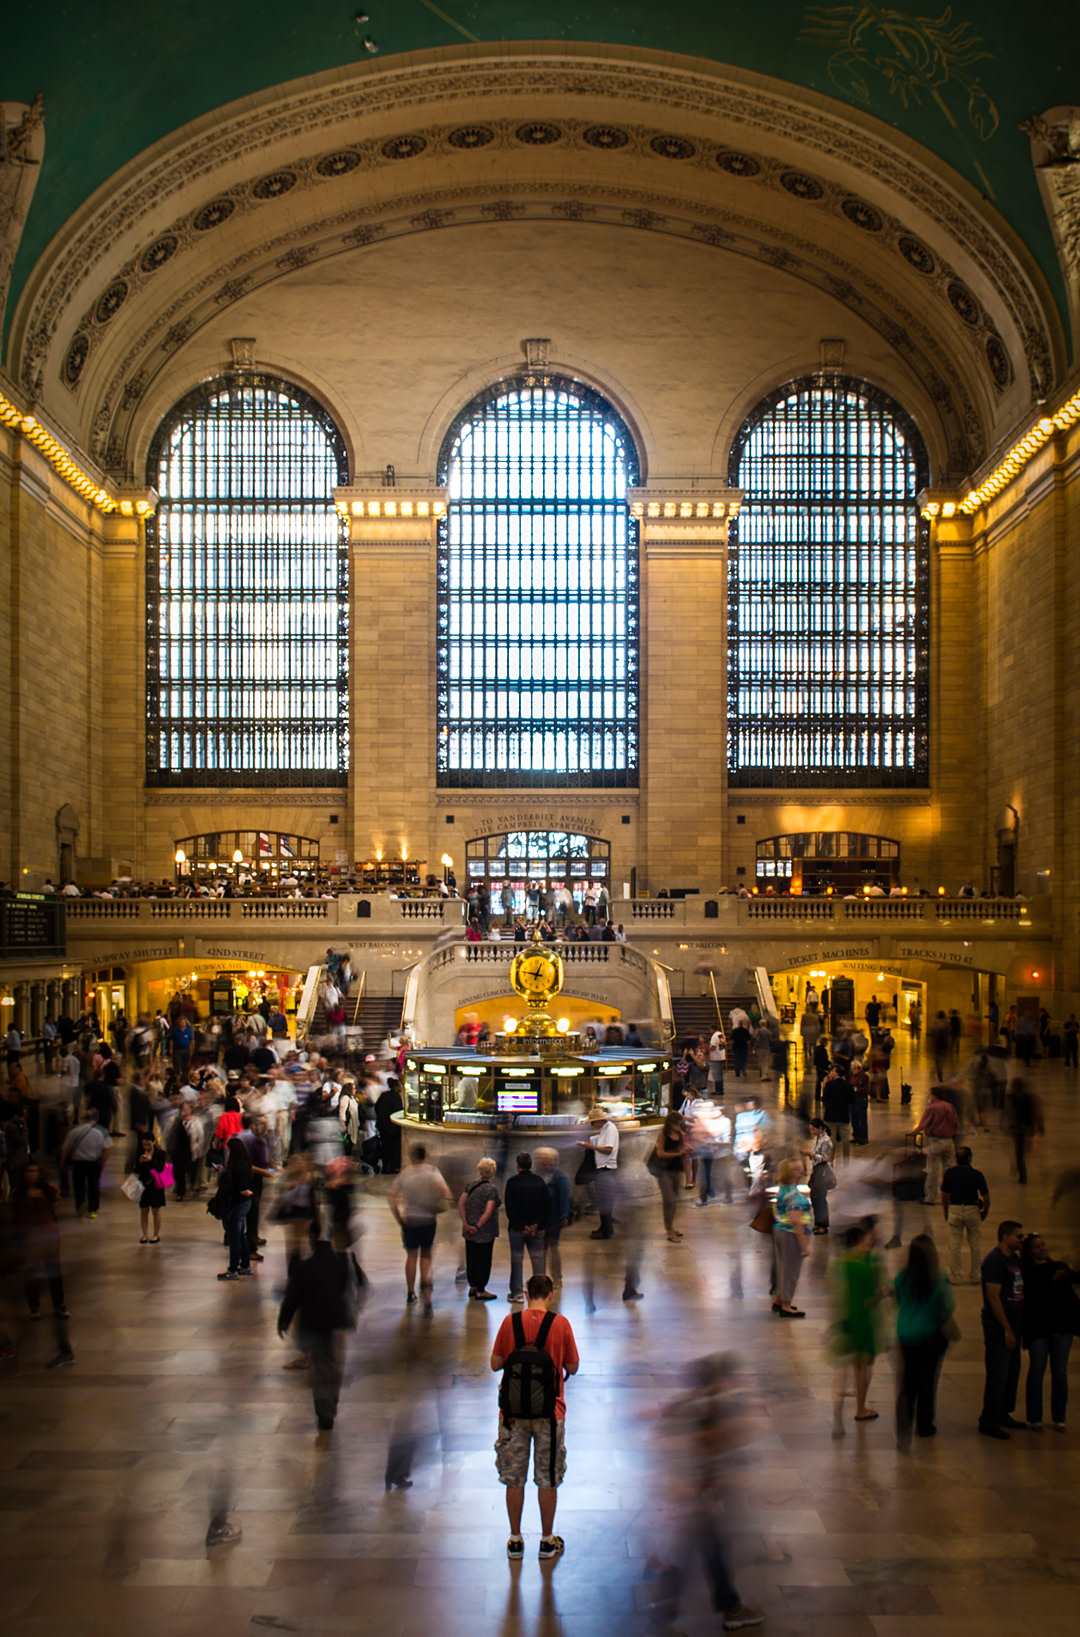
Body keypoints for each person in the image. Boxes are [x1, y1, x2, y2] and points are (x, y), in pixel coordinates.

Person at [490, 1272, 579, 1563]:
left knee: (514, 1477)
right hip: (550, 1414)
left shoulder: (509, 1322)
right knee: (547, 1477)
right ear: (550, 1296)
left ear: (527, 1295)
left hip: (513, 1414)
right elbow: (573, 1366)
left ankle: (515, 1540)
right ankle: (546, 1539)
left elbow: (495, 1364)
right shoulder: (561, 1324)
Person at [278, 1223, 358, 1430]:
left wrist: (283, 1320)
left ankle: (324, 1412)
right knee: (332, 1363)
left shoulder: (303, 1267)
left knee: (321, 1365)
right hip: (335, 1321)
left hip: (312, 1323)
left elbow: (292, 1297)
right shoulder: (341, 1263)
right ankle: (331, 1402)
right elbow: (349, 1288)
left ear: (312, 1241)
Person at [894, 1233, 956, 1447]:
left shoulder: (903, 1276)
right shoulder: (938, 1277)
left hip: (905, 1333)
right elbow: (947, 1306)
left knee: (908, 1380)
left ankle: (904, 1423)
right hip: (928, 1336)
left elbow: (899, 1298)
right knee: (927, 1380)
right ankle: (924, 1425)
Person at [829, 1218, 888, 1435]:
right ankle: (860, 1408)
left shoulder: (840, 1263)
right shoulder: (869, 1264)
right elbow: (870, 1300)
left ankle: (837, 1418)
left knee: (841, 1372)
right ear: (863, 1238)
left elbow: (835, 1294)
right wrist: (881, 1294)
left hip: (844, 1322)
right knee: (862, 1367)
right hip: (863, 1322)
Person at [1020, 1233, 1079, 1431]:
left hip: (1061, 1327)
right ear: (1029, 1251)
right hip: (1039, 1327)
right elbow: (1031, 1296)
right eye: (1037, 1247)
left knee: (1060, 1372)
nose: (1042, 1249)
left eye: (1043, 1245)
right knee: (1037, 1369)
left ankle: (1059, 1418)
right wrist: (1052, 1280)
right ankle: (1035, 1418)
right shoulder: (1026, 1271)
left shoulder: (1059, 1266)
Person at [388, 1143, 452, 1310]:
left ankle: (410, 1293)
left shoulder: (405, 1174)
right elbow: (445, 1192)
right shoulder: (432, 1172)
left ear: (412, 1157)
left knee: (411, 1255)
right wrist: (433, 1201)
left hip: (410, 1219)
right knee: (426, 1255)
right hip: (428, 1219)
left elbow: (392, 1195)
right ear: (425, 1156)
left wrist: (398, 1217)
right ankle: (426, 1290)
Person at [978, 1219, 1025, 1440]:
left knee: (1011, 1371)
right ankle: (989, 1420)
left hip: (1014, 1322)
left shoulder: (1014, 1259)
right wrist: (1006, 1329)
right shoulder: (994, 1261)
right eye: (1018, 1236)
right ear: (1006, 1237)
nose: (1021, 1240)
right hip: (999, 1326)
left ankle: (1003, 1412)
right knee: (998, 1372)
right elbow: (993, 1298)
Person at [504, 1151, 551, 1302]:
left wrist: (522, 1225)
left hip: (517, 1229)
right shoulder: (539, 1182)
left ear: (517, 1165)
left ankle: (517, 1293)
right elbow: (546, 1206)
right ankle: (540, 1294)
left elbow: (510, 1208)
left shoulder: (512, 1182)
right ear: (530, 1165)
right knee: (538, 1261)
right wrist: (536, 1225)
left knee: (517, 1260)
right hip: (537, 1230)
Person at [940, 1147, 990, 1284]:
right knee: (975, 1244)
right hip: (973, 1209)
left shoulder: (949, 1173)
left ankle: (956, 1276)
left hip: (955, 1209)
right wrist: (984, 1211)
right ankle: (975, 1275)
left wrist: (946, 1211)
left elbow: (944, 1195)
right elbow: (986, 1197)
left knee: (955, 1245)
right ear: (970, 1158)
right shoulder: (977, 1175)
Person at [772, 1157, 811, 1317]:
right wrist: (804, 1247)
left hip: (780, 1231)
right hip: (790, 1234)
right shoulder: (794, 1196)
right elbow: (796, 1222)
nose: (801, 1172)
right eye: (798, 1169)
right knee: (791, 1271)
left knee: (783, 1268)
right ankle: (786, 1305)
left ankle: (779, 1300)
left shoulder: (783, 1189)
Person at [459, 1156, 500, 1301]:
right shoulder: (492, 1190)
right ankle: (481, 1289)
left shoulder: (470, 1185)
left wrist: (465, 1223)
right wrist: (478, 1226)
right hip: (484, 1232)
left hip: (468, 1228)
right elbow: (489, 1211)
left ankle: (473, 1286)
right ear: (493, 1172)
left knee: (471, 1257)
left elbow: (461, 1203)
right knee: (483, 1258)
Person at [214, 1136, 255, 1280]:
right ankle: (245, 1265)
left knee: (234, 1237)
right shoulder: (246, 1164)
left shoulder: (236, 1166)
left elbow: (238, 1186)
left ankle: (233, 1269)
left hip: (236, 1204)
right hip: (245, 1203)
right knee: (240, 1234)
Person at [60, 1109, 112, 1219]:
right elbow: (105, 1150)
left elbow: (66, 1149)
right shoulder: (99, 1133)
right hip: (93, 1163)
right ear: (96, 1118)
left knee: (79, 1186)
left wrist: (62, 1163)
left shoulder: (75, 1131)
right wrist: (102, 1164)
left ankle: (80, 1206)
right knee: (93, 1187)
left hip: (78, 1163)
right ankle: (93, 1210)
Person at [913, 1085, 958, 1204]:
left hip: (935, 1141)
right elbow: (956, 1125)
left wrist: (913, 1133)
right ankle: (951, 1197)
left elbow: (923, 1125)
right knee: (949, 1171)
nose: (928, 1096)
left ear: (935, 1095)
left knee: (933, 1170)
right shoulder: (950, 1107)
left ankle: (930, 1197)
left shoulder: (931, 1108)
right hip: (949, 1141)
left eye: (930, 1094)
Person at [581, 1105, 619, 1238]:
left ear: (599, 1120)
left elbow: (608, 1149)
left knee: (604, 1202)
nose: (592, 1125)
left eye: (593, 1122)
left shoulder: (610, 1129)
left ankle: (606, 1231)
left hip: (606, 1169)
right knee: (603, 1201)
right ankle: (604, 1227)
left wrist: (591, 1146)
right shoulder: (605, 1129)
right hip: (602, 1168)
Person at [534, 1148, 570, 1286]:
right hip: (539, 1219)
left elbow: (563, 1197)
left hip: (554, 1219)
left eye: (547, 1159)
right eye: (542, 1159)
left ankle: (557, 1278)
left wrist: (563, 1215)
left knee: (553, 1248)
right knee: (540, 1250)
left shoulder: (560, 1177)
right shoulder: (536, 1176)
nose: (544, 1161)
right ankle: (540, 1277)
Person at [649, 1112, 686, 1243]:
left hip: (676, 1169)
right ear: (671, 1124)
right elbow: (660, 1153)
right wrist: (677, 1154)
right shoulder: (662, 1136)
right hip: (664, 1171)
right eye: (677, 1124)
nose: (679, 1127)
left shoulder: (681, 1135)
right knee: (669, 1199)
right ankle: (669, 1230)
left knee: (675, 1199)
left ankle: (671, 1225)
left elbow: (683, 1151)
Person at [1004, 1076, 1044, 1185]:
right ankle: (1022, 1170)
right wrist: (1040, 1126)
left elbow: (1008, 1113)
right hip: (1028, 1127)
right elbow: (1037, 1112)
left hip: (1016, 1128)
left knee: (1019, 1151)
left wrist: (1007, 1126)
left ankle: (1020, 1170)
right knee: (1025, 1151)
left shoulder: (1010, 1096)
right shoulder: (1030, 1097)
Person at [133, 1132, 168, 1244]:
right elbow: (136, 1170)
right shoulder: (139, 1153)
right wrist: (139, 1162)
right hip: (144, 1184)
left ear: (153, 1142)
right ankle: (144, 1234)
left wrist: (150, 1161)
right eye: (144, 1144)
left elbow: (160, 1169)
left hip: (156, 1184)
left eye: (148, 1144)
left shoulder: (160, 1153)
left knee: (156, 1209)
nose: (146, 1147)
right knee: (143, 1209)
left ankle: (156, 1234)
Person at [804, 1119, 835, 1235]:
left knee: (820, 1199)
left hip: (822, 1173)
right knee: (815, 1198)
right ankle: (818, 1221)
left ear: (821, 1128)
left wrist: (811, 1154)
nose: (812, 1132)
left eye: (814, 1129)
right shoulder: (817, 1139)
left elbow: (825, 1158)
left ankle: (823, 1224)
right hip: (816, 1171)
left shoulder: (826, 1141)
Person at [821, 1065, 853, 1162]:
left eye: (833, 1072)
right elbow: (852, 1100)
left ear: (837, 1073)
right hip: (843, 1115)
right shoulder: (848, 1086)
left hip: (830, 1116)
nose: (831, 1073)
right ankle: (846, 1160)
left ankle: (830, 1160)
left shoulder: (829, 1085)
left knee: (831, 1141)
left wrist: (825, 1087)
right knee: (846, 1140)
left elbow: (824, 1099)